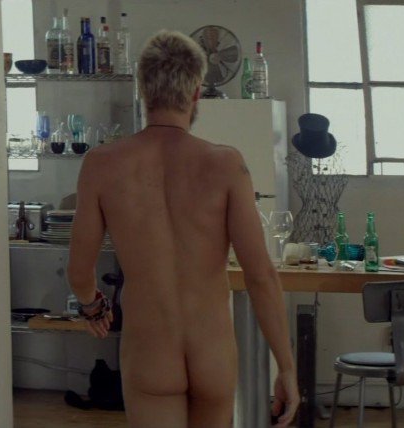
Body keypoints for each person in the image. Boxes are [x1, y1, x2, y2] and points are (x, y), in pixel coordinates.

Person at [67, 30, 299, 428]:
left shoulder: (102, 164)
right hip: (212, 352)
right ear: (195, 93)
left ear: (143, 91)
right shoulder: (227, 164)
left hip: (149, 351)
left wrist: (92, 306)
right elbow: (261, 275)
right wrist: (287, 368)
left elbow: (78, 272)